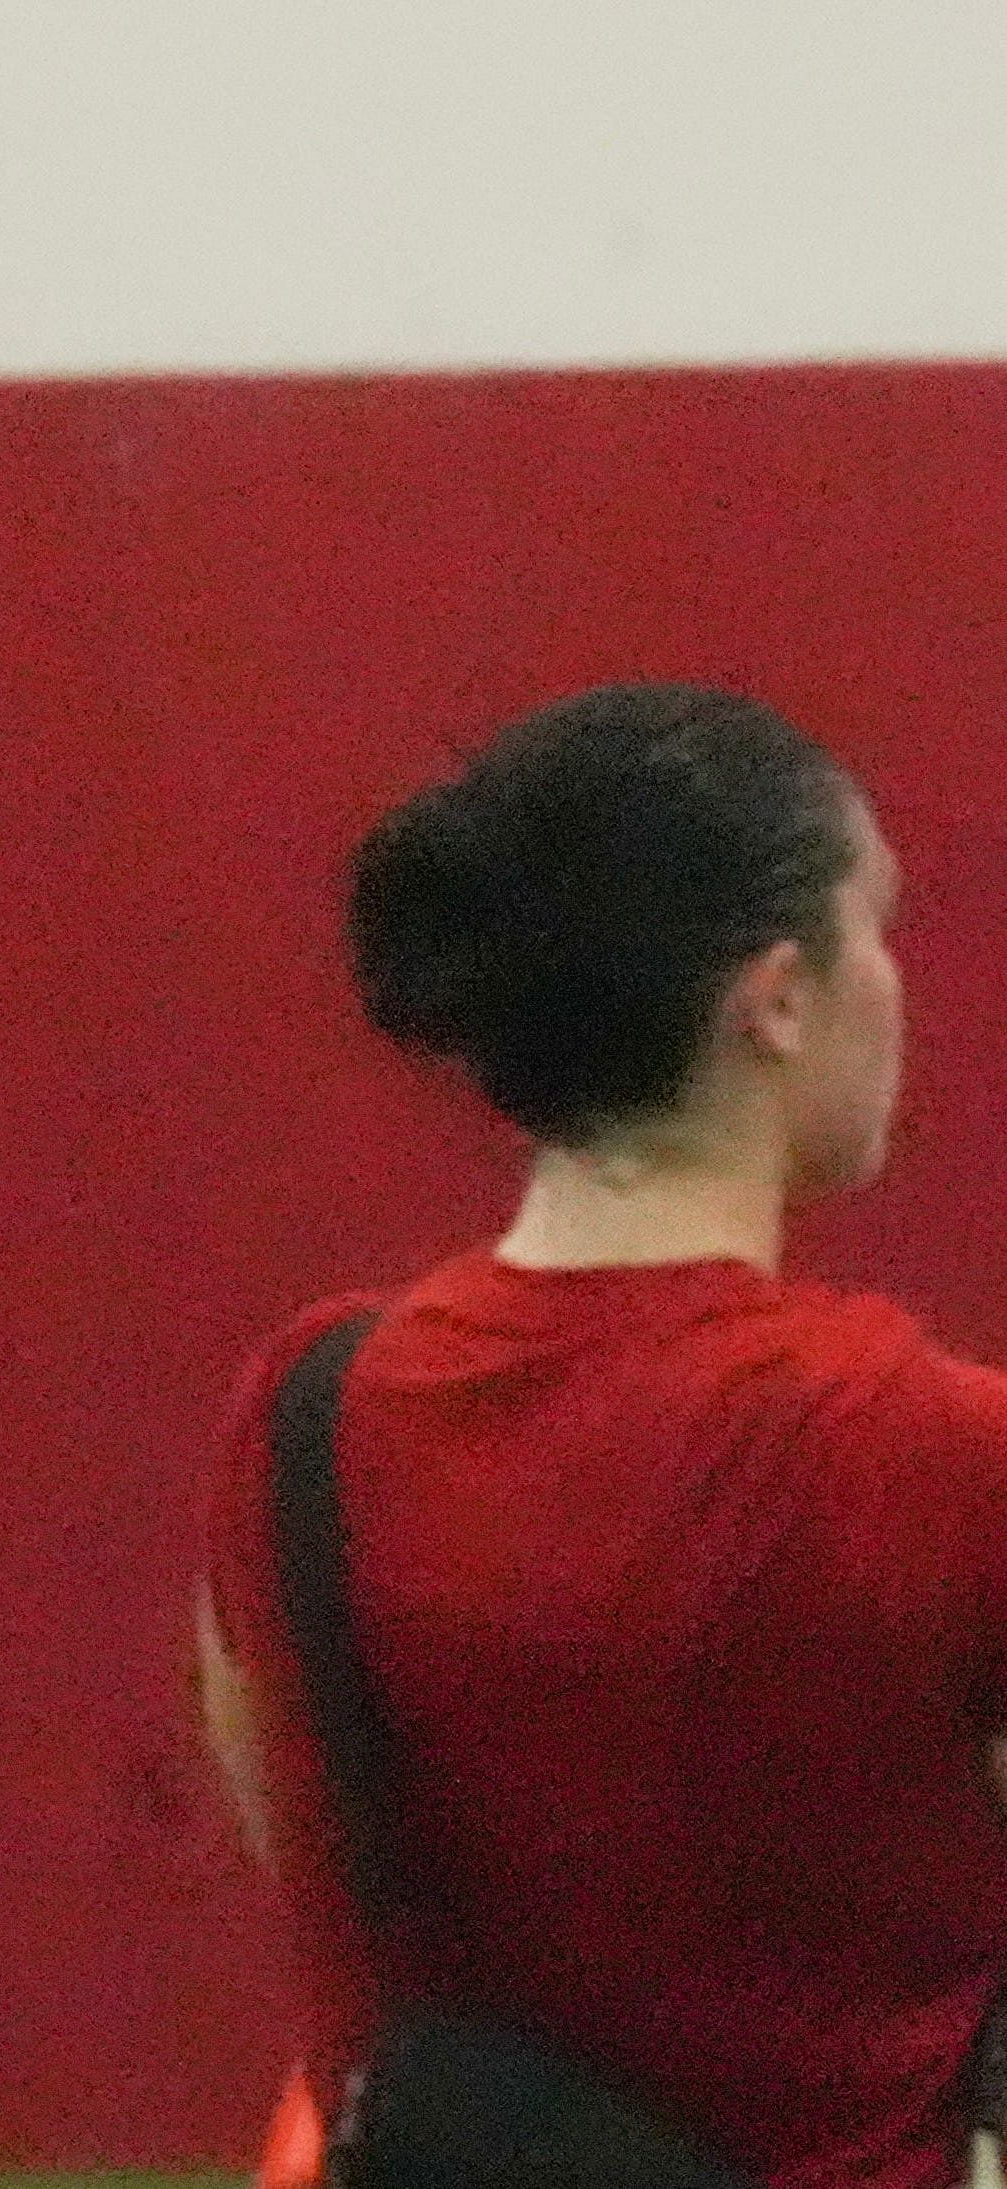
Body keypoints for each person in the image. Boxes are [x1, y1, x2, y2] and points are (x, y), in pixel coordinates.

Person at [199, 682, 1007, 2187]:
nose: (896, 984)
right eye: (874, 928)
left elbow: (294, 1832)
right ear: (772, 997)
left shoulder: (304, 1417)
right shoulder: (934, 1451)